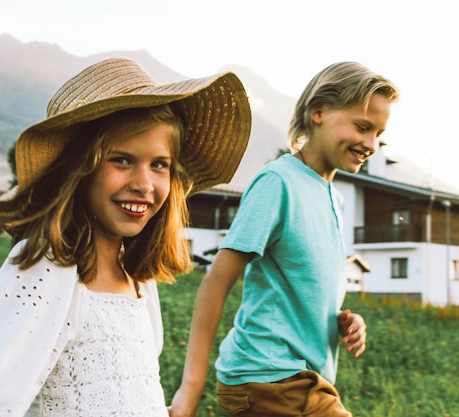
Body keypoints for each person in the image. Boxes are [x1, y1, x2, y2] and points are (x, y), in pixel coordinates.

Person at [0, 57, 252, 417]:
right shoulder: (49, 269)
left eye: (159, 164)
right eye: (122, 160)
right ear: (79, 169)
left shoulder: (138, 279)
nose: (143, 184)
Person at [169, 61, 400, 417]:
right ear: (318, 112)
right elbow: (216, 282)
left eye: (378, 135)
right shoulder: (278, 182)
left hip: (303, 379)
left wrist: (338, 318)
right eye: (362, 127)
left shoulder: (334, 197)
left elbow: (297, 286)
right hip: (268, 377)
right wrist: (189, 391)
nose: (371, 144)